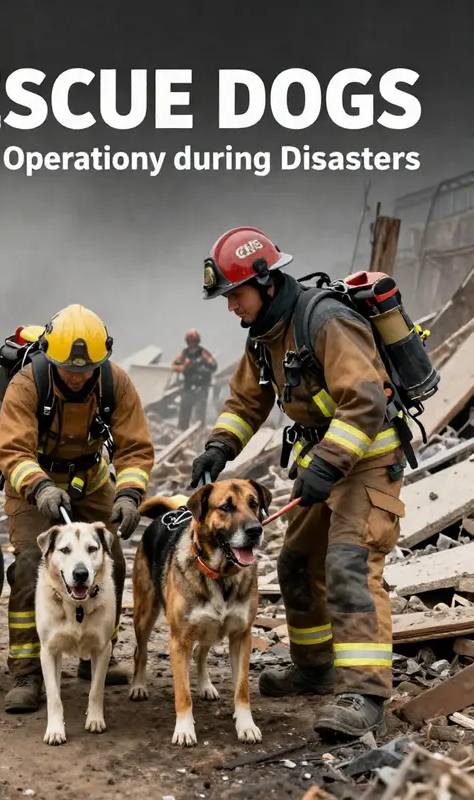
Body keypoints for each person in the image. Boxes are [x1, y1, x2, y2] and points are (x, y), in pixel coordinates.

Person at [192, 226, 405, 740]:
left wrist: (327, 464)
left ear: (265, 282)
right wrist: (218, 448)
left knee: (350, 564)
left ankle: (365, 694)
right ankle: (314, 668)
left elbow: (366, 400)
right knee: (295, 562)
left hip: (366, 462)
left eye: (234, 295)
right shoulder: (265, 335)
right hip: (325, 465)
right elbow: (246, 403)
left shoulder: (326, 321)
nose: (230, 307)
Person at [0, 304, 155, 713]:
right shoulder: (29, 384)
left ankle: (97, 651)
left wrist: (129, 495)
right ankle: (28, 670)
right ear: (51, 357)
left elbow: (135, 448)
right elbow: (13, 450)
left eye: (86, 370)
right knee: (32, 564)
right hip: (35, 483)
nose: (78, 376)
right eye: (69, 369)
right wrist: (40, 488)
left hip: (91, 479)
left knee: (112, 563)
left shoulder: (115, 382)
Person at [171, 329, 217, 430]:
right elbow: (174, 366)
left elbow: (213, 365)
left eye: (195, 341)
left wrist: (204, 368)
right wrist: (184, 366)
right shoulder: (184, 354)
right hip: (188, 386)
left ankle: (199, 434)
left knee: (200, 414)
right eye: (191, 342)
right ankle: (182, 433)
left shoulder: (203, 353)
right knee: (184, 412)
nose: (193, 344)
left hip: (202, 387)